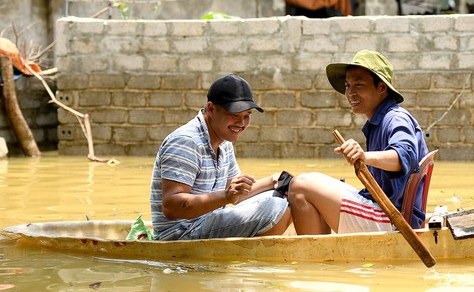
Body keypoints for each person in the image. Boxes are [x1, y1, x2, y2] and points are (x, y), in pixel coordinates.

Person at [287, 50, 429, 234]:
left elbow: (405, 157)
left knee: (300, 186)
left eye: (359, 85)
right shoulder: (380, 120)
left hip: (394, 220)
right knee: (305, 187)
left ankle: (316, 259)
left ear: (381, 88)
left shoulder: (395, 118)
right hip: (383, 209)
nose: (350, 93)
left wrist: (364, 156)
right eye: (347, 86)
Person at [149, 74, 292, 240]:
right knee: (275, 207)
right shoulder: (186, 141)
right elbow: (172, 207)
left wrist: (273, 181)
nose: (241, 123)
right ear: (211, 109)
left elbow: (234, 195)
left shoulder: (224, 142)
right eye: (234, 115)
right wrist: (226, 196)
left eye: (247, 116)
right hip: (180, 233)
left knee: (283, 196)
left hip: (209, 220)